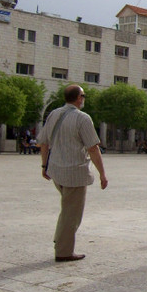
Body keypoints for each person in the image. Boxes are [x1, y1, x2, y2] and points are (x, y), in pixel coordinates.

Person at [37, 84, 108, 262]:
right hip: (74, 173)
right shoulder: (82, 118)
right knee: (72, 214)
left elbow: (43, 143)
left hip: (56, 170)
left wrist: (44, 166)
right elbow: (93, 148)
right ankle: (63, 251)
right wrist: (102, 174)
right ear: (78, 98)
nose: (84, 98)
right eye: (83, 95)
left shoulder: (53, 114)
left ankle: (60, 239)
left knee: (67, 208)